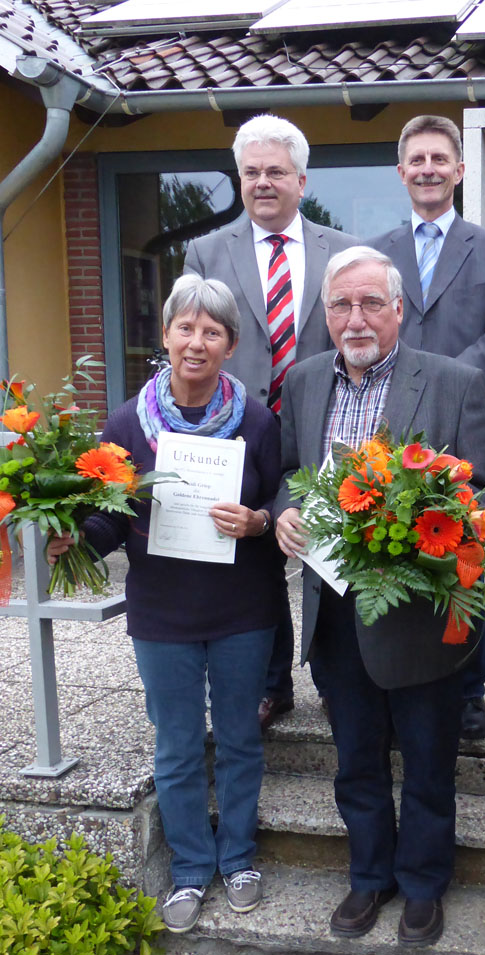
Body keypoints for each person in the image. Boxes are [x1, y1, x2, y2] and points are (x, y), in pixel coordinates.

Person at [275, 245, 485, 947]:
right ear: (325, 312)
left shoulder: (456, 383)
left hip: (419, 616)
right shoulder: (305, 380)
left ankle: (425, 884)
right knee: (356, 760)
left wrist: (414, 533)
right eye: (342, 303)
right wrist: (286, 508)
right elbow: (290, 469)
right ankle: (370, 876)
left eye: (372, 302)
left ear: (399, 308)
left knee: (430, 762)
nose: (356, 317)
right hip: (335, 611)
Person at [48, 274, 284, 934]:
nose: (197, 341)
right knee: (177, 745)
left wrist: (259, 522)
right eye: (186, 327)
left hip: (243, 610)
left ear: (231, 343)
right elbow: (109, 519)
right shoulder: (126, 423)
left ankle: (237, 858)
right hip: (162, 614)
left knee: (239, 738)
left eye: (212, 330)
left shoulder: (259, 421)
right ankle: (188, 866)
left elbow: (278, 504)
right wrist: (72, 541)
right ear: (166, 335)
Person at [185, 113, 358, 730]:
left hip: (323, 423)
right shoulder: (206, 251)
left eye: (276, 172)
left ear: (301, 180)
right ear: (239, 178)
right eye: (252, 172)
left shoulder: (340, 250)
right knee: (254, 556)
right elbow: (196, 338)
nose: (263, 182)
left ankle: (337, 678)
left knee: (330, 549)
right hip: (239, 428)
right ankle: (271, 682)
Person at [366, 114, 485, 740]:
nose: (428, 169)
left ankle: (469, 689)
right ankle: (398, 670)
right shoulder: (375, 254)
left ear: (460, 171)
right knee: (399, 547)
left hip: (472, 427)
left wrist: (443, 386)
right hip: (392, 431)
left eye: (440, 159)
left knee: (465, 550)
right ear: (401, 172)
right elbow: (369, 330)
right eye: (417, 160)